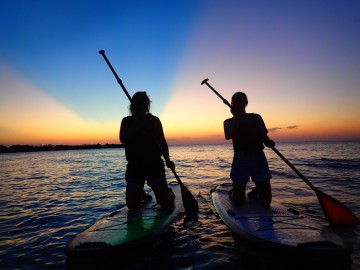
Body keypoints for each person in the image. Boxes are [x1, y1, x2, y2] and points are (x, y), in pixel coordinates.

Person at [120, 91, 175, 211]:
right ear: (133, 106)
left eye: (143, 103)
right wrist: (137, 123)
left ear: (147, 105)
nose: (141, 105)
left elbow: (162, 141)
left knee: (165, 203)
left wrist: (168, 160)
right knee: (132, 206)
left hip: (154, 164)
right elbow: (123, 138)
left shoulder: (155, 120)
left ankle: (169, 194)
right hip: (135, 165)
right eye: (138, 103)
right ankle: (142, 195)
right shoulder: (126, 121)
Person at [224, 92, 275, 207]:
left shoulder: (256, 117)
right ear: (231, 104)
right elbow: (230, 135)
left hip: (258, 157)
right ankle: (234, 193)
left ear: (246, 103)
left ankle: (255, 192)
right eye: (235, 101)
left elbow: (264, 137)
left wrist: (268, 142)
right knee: (238, 201)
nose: (238, 103)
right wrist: (237, 117)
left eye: (241, 101)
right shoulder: (228, 122)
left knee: (266, 201)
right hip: (240, 158)